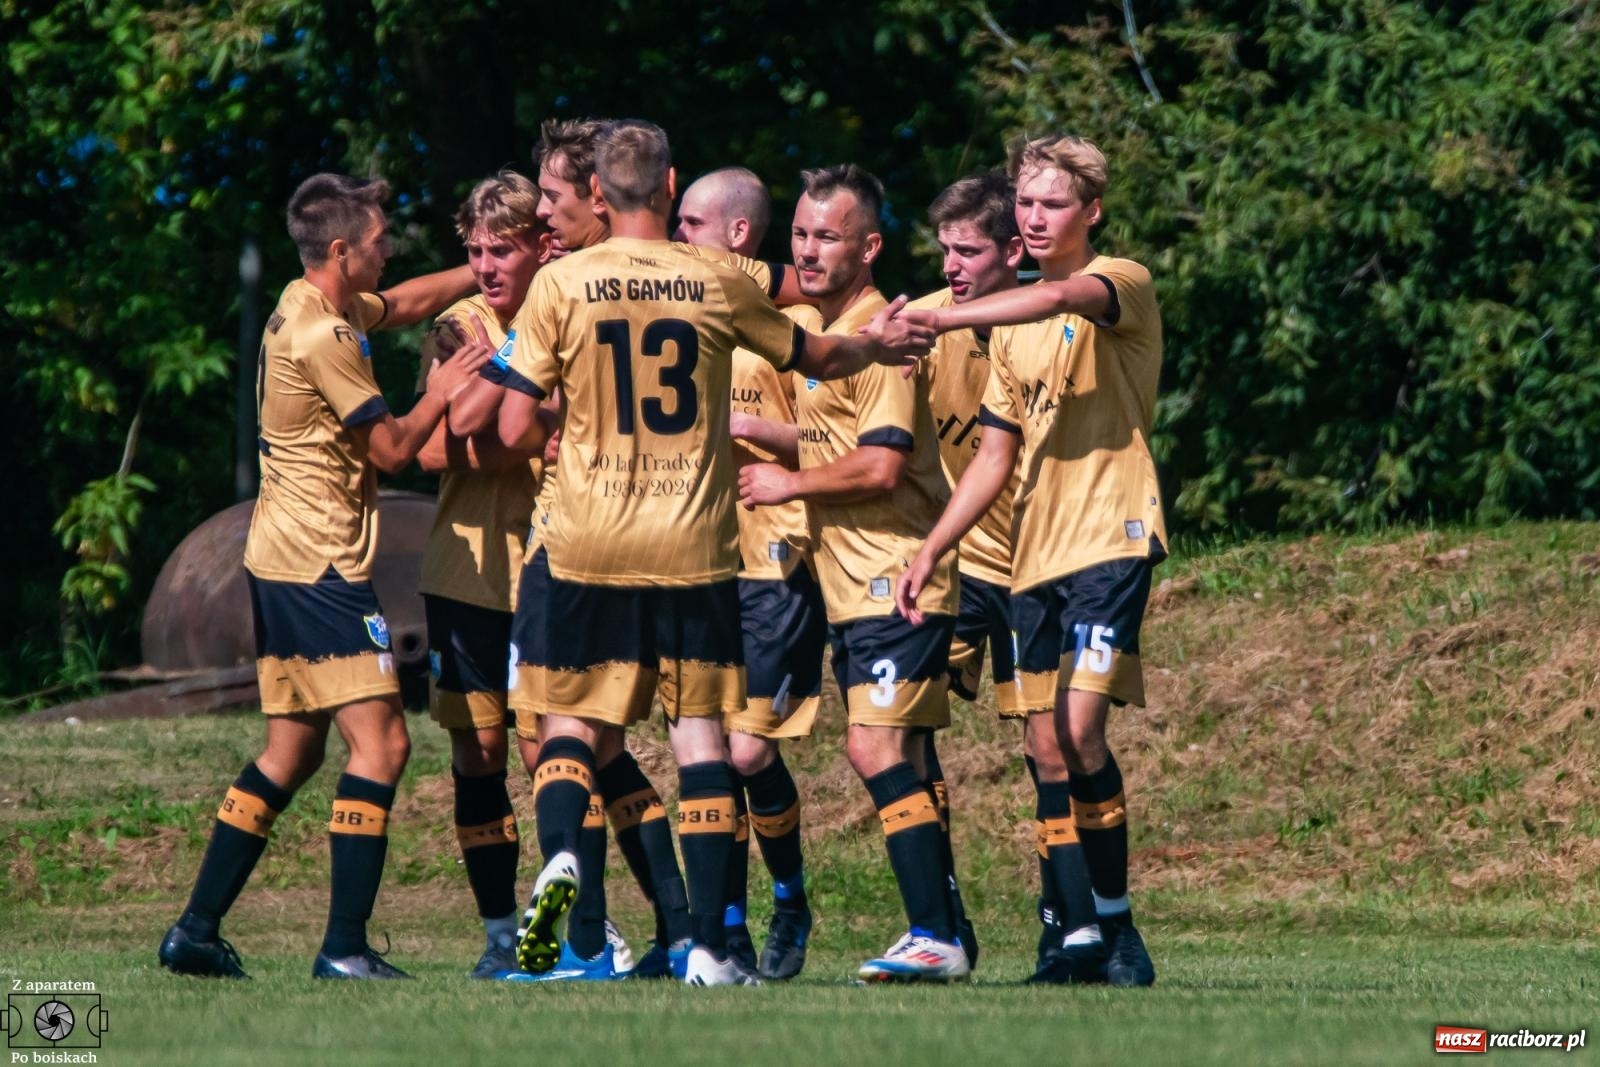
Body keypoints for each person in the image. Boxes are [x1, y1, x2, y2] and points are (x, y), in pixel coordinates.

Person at [492, 120, 932, 986]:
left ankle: (559, 861)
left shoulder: (559, 285)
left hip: (583, 540)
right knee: (700, 737)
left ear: (598, 195)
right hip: (691, 542)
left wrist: (574, 424)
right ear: (668, 188)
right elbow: (813, 352)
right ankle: (709, 950)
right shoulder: (714, 278)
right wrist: (875, 344)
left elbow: (511, 425)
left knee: (571, 725)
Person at [158, 173, 481, 980]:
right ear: (341, 251)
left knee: (290, 754)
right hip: (320, 568)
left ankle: (195, 930)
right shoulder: (324, 340)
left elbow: (404, 303)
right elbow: (396, 451)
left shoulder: (313, 307)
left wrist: (490, 269)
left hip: (279, 559)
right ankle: (343, 947)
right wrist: (441, 391)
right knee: (385, 744)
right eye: (378, 240)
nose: (390, 246)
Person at [895, 135, 1165, 987]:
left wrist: (940, 316)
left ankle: (1116, 926)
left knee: (1083, 730)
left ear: (1091, 212)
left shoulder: (1120, 282)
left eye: (1052, 203)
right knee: (1051, 747)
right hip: (1032, 560)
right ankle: (1083, 932)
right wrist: (933, 546)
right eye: (1027, 202)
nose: (1036, 215)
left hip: (1112, 533)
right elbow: (991, 460)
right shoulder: (1010, 345)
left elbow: (1056, 296)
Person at [737, 165, 969, 983]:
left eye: (826, 235)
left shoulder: (888, 337)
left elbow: (877, 467)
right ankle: (949, 930)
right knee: (904, 754)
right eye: (799, 233)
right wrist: (761, 430)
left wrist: (786, 482)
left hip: (895, 576)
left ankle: (935, 933)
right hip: (851, 582)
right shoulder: (820, 332)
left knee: (873, 747)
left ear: (867, 246)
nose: (807, 249)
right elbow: (832, 443)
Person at [910, 171, 1099, 975]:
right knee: (902, 734)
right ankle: (942, 916)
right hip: (955, 569)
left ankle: (1068, 919)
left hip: (1033, 563)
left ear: (1012, 252)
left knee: (1050, 747)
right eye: (944, 250)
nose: (951, 265)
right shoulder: (921, 324)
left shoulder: (1058, 319)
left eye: (968, 250)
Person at [410, 171, 564, 979]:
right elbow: (437, 444)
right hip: (465, 572)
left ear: (542, 245)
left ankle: (570, 927)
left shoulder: (566, 306)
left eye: (500, 248)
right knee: (479, 753)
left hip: (549, 564)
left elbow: (471, 423)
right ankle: (501, 933)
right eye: (473, 251)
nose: (485, 265)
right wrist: (541, 424)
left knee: (553, 751)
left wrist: (506, 413)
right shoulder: (459, 322)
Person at [676, 166, 824, 979]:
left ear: (738, 234)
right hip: (697, 562)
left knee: (745, 754)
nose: (677, 236)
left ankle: (790, 895)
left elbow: (842, 447)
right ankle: (723, 930)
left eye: (692, 223)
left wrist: (755, 427)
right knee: (703, 757)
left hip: (776, 559)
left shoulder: (791, 322)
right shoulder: (675, 312)